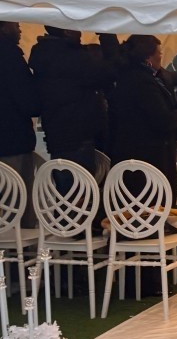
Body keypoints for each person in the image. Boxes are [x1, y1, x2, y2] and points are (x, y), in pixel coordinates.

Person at [108, 35, 177, 198]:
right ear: (148, 57)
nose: (162, 56)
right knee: (150, 210)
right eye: (160, 53)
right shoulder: (143, 82)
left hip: (135, 153)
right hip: (147, 157)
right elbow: (162, 120)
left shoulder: (133, 77)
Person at [29, 27, 116, 175]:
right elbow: (108, 73)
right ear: (67, 31)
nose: (81, 33)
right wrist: (107, 35)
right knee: (79, 189)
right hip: (78, 133)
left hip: (57, 133)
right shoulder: (71, 56)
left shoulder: (44, 53)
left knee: (67, 190)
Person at [0, 21, 40, 226]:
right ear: (4, 27)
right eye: (15, 24)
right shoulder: (10, 56)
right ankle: (16, 252)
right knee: (18, 200)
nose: (20, 28)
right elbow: (26, 99)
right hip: (13, 138)